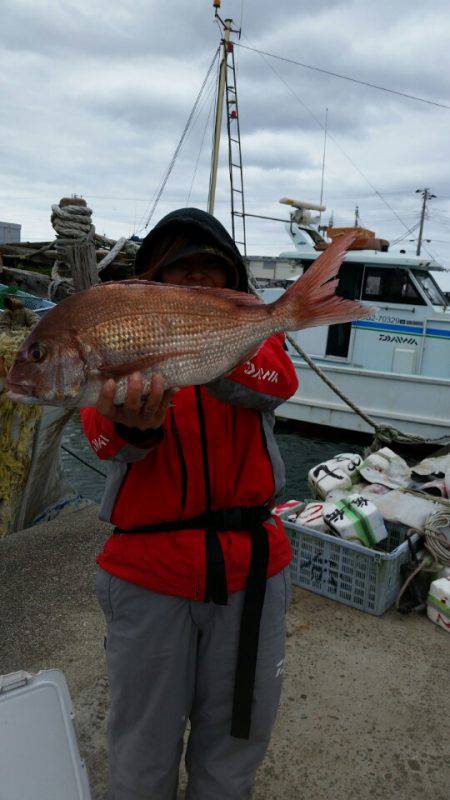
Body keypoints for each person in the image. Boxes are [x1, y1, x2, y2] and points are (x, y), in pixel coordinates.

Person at [81, 208, 299, 800]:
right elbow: (99, 437)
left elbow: (280, 383)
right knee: (140, 754)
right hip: (149, 576)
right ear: (149, 283)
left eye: (213, 270)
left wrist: (209, 346)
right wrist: (136, 428)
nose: (199, 282)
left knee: (234, 751)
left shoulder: (254, 329)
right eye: (181, 273)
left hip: (251, 572)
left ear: (235, 284)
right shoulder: (119, 338)